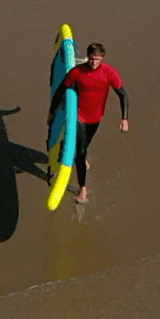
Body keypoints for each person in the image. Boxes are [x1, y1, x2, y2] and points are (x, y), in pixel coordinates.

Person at [53, 41, 129, 204]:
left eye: (97, 59)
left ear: (102, 57)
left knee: (84, 145)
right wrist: (53, 113)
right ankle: (83, 189)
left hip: (96, 117)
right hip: (79, 117)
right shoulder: (77, 72)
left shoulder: (110, 72)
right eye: (91, 59)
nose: (94, 63)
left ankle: (72, 151)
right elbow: (62, 88)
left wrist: (124, 119)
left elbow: (123, 95)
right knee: (80, 153)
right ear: (87, 57)